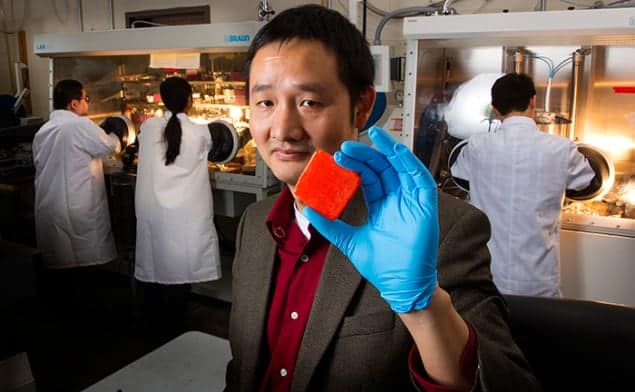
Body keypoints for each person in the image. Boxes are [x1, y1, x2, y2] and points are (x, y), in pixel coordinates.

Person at [225, 5, 540, 391]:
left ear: (360, 107)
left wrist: (423, 307)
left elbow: (509, 383)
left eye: (309, 102)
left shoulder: (442, 230)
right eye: (266, 103)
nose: (283, 129)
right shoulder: (255, 224)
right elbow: (243, 369)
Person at [451, 73, 595, 297]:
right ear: (533, 102)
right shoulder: (561, 148)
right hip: (538, 279)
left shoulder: (477, 145)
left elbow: (458, 174)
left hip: (488, 274)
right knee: (538, 331)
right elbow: (586, 181)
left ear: (495, 109)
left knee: (492, 329)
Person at [134, 76, 221, 341]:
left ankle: (151, 327)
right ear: (190, 100)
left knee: (154, 264)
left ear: (162, 99)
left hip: (153, 211)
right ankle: (175, 330)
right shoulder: (200, 132)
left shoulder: (148, 128)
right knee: (180, 269)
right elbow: (221, 140)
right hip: (184, 214)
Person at [33, 79, 121, 314]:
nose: (87, 103)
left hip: (50, 203)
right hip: (77, 205)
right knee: (83, 266)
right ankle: (89, 317)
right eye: (85, 99)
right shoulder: (79, 125)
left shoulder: (43, 130)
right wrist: (118, 136)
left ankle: (66, 316)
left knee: (62, 265)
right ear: (74, 103)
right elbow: (109, 147)